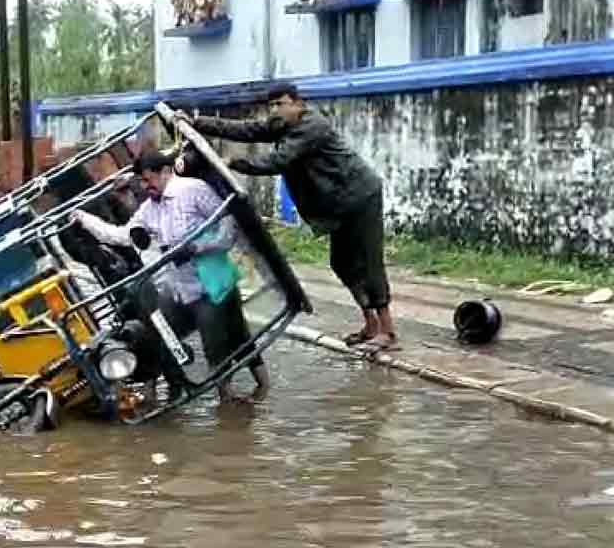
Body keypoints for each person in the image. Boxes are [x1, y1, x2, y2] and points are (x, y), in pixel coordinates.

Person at [176, 83, 398, 353]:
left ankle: (387, 331)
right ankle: (370, 324)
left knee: (367, 262)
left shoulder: (311, 127)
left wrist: (233, 163)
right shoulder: (282, 124)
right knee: (341, 263)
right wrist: (198, 123)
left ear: (298, 104)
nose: (274, 111)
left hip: (360, 197)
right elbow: (248, 130)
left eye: (280, 104)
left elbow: (279, 160)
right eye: (271, 106)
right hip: (338, 204)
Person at [72, 150, 269, 404]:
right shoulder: (150, 209)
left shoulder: (192, 190)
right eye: (141, 182)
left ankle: (233, 399)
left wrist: (200, 247)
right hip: (180, 290)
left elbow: (227, 221)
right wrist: (84, 219)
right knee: (157, 332)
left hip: (212, 285)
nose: (144, 186)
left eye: (147, 179)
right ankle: (167, 388)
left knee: (220, 342)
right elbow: (120, 235)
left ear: (165, 171)